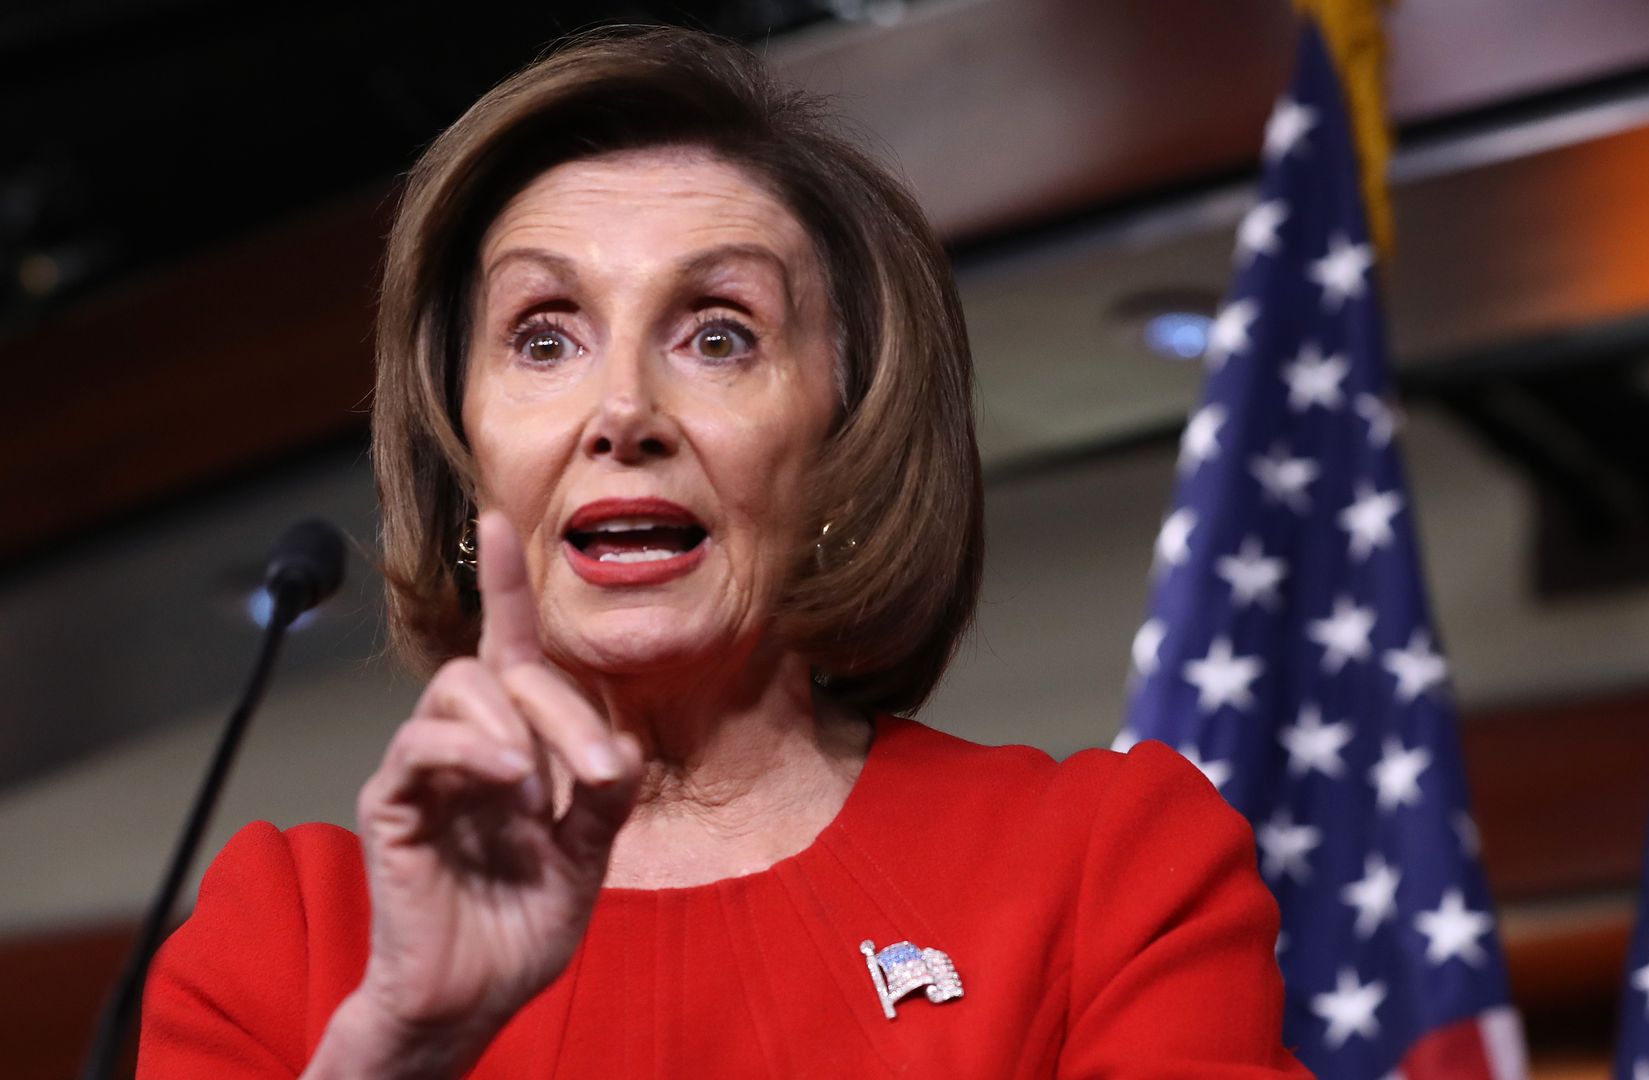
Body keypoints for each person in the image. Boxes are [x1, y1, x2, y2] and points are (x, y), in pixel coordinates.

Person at [137, 26, 1310, 1078]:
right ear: (462, 449)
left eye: (718, 335)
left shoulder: (1108, 869)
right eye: (544, 339)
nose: (624, 411)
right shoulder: (288, 940)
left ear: (846, 433)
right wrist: (397, 1048)